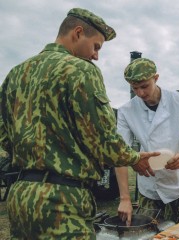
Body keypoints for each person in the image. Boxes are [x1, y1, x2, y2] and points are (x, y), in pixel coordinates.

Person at [0, 8, 159, 239]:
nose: (96, 56)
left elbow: (5, 134)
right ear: (77, 33)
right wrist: (134, 159)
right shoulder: (81, 70)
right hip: (63, 199)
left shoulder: (15, 74)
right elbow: (102, 137)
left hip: (20, 194)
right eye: (96, 46)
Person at [115, 58, 179, 225]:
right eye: (135, 88)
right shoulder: (126, 111)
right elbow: (120, 153)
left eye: (144, 86)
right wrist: (125, 197)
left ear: (156, 78)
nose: (140, 93)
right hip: (150, 184)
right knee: (148, 231)